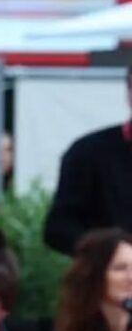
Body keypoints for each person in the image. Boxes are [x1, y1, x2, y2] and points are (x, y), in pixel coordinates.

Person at [44, 67, 132, 255]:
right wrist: (108, 253)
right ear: (129, 93)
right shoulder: (88, 153)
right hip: (110, 270)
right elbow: (58, 228)